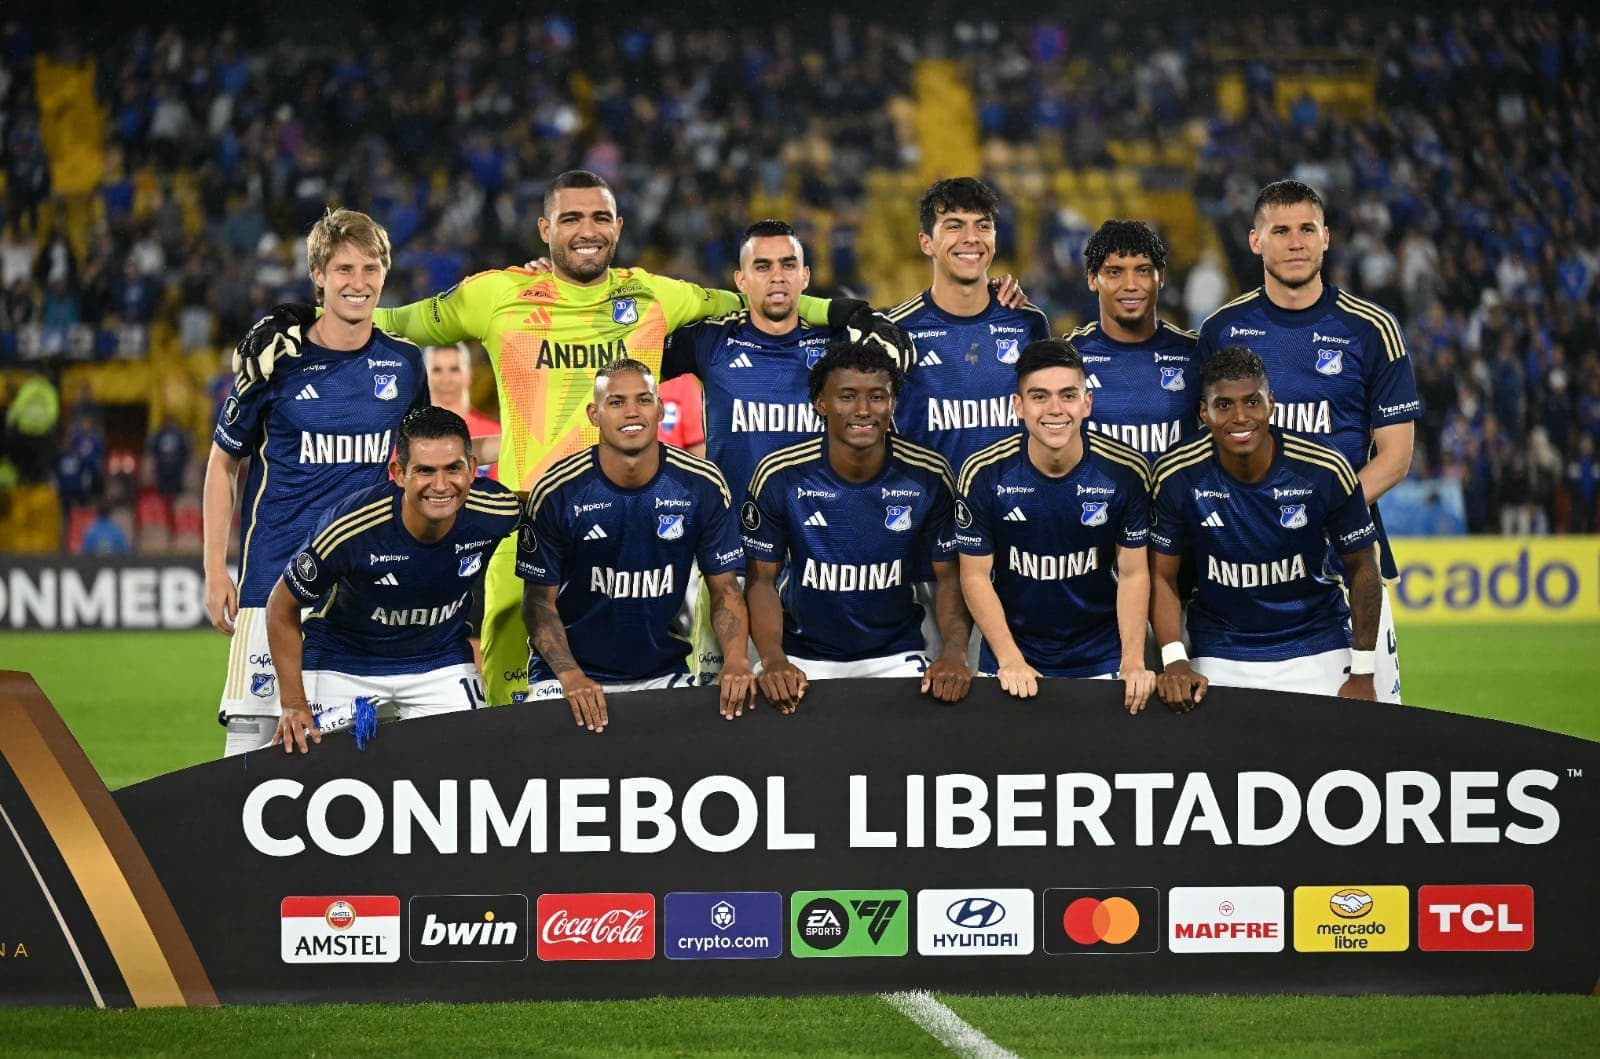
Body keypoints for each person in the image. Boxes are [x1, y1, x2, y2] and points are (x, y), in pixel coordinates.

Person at [232, 171, 908, 710]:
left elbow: (755, 301)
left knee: (642, 676)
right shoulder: (495, 294)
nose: (588, 231)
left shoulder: (653, 295)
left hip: (626, 521)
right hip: (522, 515)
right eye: (573, 218)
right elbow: (397, 319)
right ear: (545, 228)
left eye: (601, 218)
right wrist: (301, 316)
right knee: (497, 674)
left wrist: (843, 312)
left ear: (618, 227)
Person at [204, 208, 429, 757]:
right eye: (344, 269)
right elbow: (222, 462)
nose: (359, 282)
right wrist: (214, 568)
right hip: (273, 577)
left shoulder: (405, 364)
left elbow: (421, 467)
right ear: (319, 276)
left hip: (367, 584)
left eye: (371, 268)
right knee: (250, 749)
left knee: (363, 749)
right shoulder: (274, 360)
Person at [1196, 180, 1419, 703]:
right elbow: (1203, 448)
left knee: (1375, 724)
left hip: (1346, 553)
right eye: (1280, 231)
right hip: (1242, 554)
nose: (1295, 242)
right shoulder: (1221, 330)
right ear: (1256, 241)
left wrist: (1321, 514)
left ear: (1326, 239)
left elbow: (1395, 457)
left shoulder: (1372, 328)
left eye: (1306, 230)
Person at [265, 407, 519, 754]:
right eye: (425, 471)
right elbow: (281, 605)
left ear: (473, 469)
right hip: (344, 661)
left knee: (470, 767)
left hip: (439, 661)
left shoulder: (497, 510)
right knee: (314, 771)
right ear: (398, 473)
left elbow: (557, 508)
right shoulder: (349, 528)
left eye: (453, 469)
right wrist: (293, 702)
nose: (441, 485)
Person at [517, 359, 753, 731]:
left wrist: (737, 661)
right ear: (594, 414)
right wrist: (571, 677)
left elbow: (725, 589)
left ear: (660, 409)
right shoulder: (558, 490)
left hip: (662, 674)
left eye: (643, 400)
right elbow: (537, 603)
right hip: (566, 678)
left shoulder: (702, 484)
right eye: (616, 402)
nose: (632, 412)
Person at [741, 341, 971, 712]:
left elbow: (950, 578)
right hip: (804, 657)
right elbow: (761, 581)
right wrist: (773, 659)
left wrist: (955, 655)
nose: (863, 410)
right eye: (847, 396)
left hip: (898, 655)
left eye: (877, 397)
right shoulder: (779, 475)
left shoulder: (928, 475)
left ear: (893, 403)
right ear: (821, 403)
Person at [1149, 347, 1382, 708]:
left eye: (1252, 402)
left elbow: (1363, 565)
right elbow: (1162, 577)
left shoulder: (1324, 467)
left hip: (1317, 642)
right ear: (1204, 413)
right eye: (1223, 405)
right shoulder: (1177, 473)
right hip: (1221, 650)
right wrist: (1175, 659)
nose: (1240, 417)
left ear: (1271, 404)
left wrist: (1364, 672)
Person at [955, 340, 1156, 711]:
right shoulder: (983, 473)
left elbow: (1132, 574)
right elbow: (975, 576)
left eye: (1067, 395)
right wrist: (1009, 659)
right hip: (1012, 660)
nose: (1054, 410)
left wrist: (1132, 660)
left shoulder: (1126, 472)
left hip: (1102, 659)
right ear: (1018, 406)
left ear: (1087, 403)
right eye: (1039, 397)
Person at [887, 177, 1053, 476]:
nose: (971, 237)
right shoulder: (897, 331)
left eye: (983, 225)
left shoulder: (1028, 322)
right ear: (926, 243)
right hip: (932, 513)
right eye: (954, 226)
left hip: (1014, 512)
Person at [1065, 220, 1202, 463]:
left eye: (1143, 270)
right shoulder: (1068, 357)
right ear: (1092, 279)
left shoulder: (1195, 354)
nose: (1130, 285)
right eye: (1115, 272)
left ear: (1161, 278)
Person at [424, 341, 499, 477]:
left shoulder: (493, 432)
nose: (446, 379)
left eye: (454, 369)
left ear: (469, 376)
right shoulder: (408, 433)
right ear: (425, 377)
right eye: (437, 370)